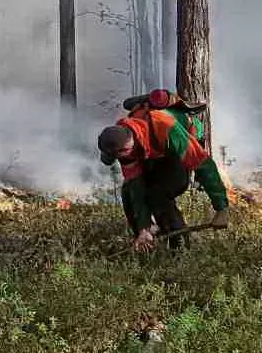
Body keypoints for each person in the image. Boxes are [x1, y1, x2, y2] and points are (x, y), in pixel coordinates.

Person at [97, 89, 231, 252]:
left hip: (177, 143)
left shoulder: (165, 127)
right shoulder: (124, 149)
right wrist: (143, 227)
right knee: (128, 193)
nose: (123, 158)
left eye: (124, 153)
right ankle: (146, 240)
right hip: (153, 153)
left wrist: (221, 207)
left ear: (127, 146)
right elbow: (135, 187)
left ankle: (180, 248)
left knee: (157, 193)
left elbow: (202, 163)